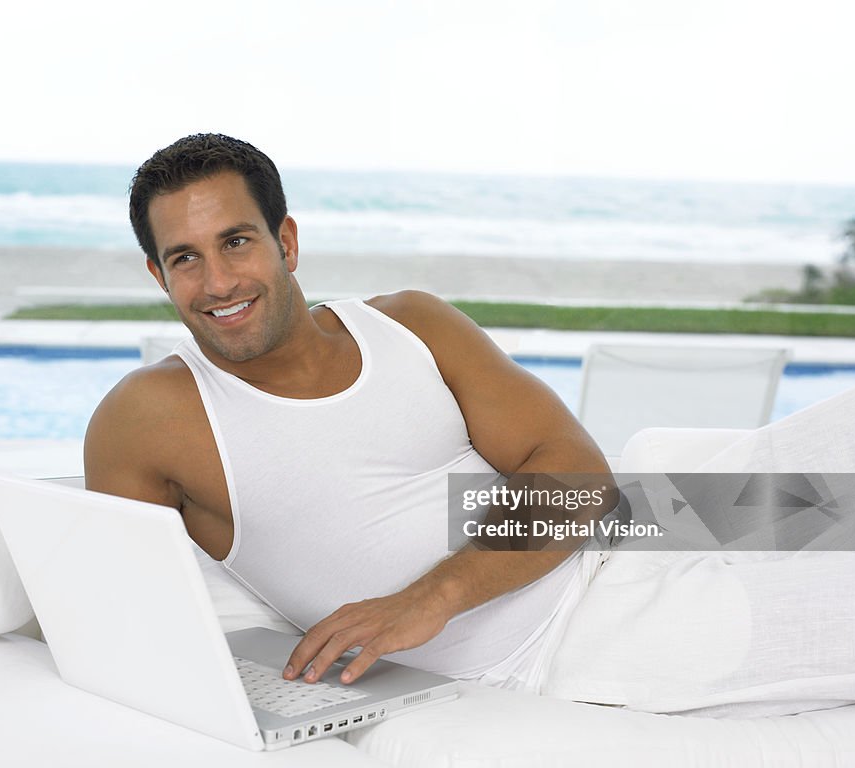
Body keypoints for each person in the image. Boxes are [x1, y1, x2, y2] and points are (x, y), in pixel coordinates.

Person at [84, 133, 614, 691]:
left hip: (608, 579)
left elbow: (581, 475)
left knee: (702, 505)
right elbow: (124, 619)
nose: (218, 283)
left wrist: (429, 600)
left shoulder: (413, 326)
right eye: (185, 258)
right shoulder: (145, 420)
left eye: (236, 242)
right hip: (510, 674)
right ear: (157, 275)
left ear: (285, 242)